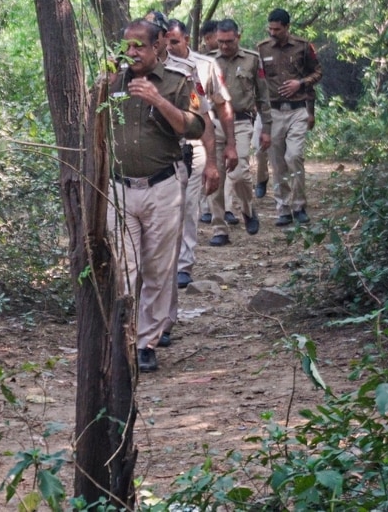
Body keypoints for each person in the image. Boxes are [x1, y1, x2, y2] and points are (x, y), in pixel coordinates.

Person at [101, 18, 204, 373]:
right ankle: (125, 338)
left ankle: (148, 343)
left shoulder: (177, 82)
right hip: (120, 187)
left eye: (139, 47)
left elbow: (194, 126)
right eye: (126, 47)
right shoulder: (112, 81)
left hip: (162, 187)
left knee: (158, 268)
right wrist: (102, 85)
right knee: (125, 268)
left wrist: (158, 100)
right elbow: (91, 122)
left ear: (158, 44)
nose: (131, 54)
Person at [162, 20, 235, 304]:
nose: (170, 48)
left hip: (195, 144)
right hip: (162, 149)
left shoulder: (201, 68)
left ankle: (183, 264)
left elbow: (213, 109)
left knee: (188, 205)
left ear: (186, 39)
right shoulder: (150, 71)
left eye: (175, 42)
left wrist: (224, 149)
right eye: (165, 42)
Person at [206, 19, 270, 245]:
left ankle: (247, 209)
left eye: (229, 41)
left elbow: (263, 96)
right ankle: (219, 228)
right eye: (220, 42)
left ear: (238, 37)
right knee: (215, 177)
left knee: (241, 172)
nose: (224, 46)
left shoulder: (252, 59)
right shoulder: (208, 61)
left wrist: (266, 129)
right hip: (213, 124)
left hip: (242, 122)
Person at [256, 8, 321, 226]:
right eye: (270, 28)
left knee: (294, 157)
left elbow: (318, 72)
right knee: (277, 162)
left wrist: (300, 83)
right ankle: (283, 208)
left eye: (277, 29)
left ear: (287, 27)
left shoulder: (303, 47)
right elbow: (257, 81)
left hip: (297, 110)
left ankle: (299, 205)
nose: (273, 32)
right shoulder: (261, 49)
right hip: (273, 112)